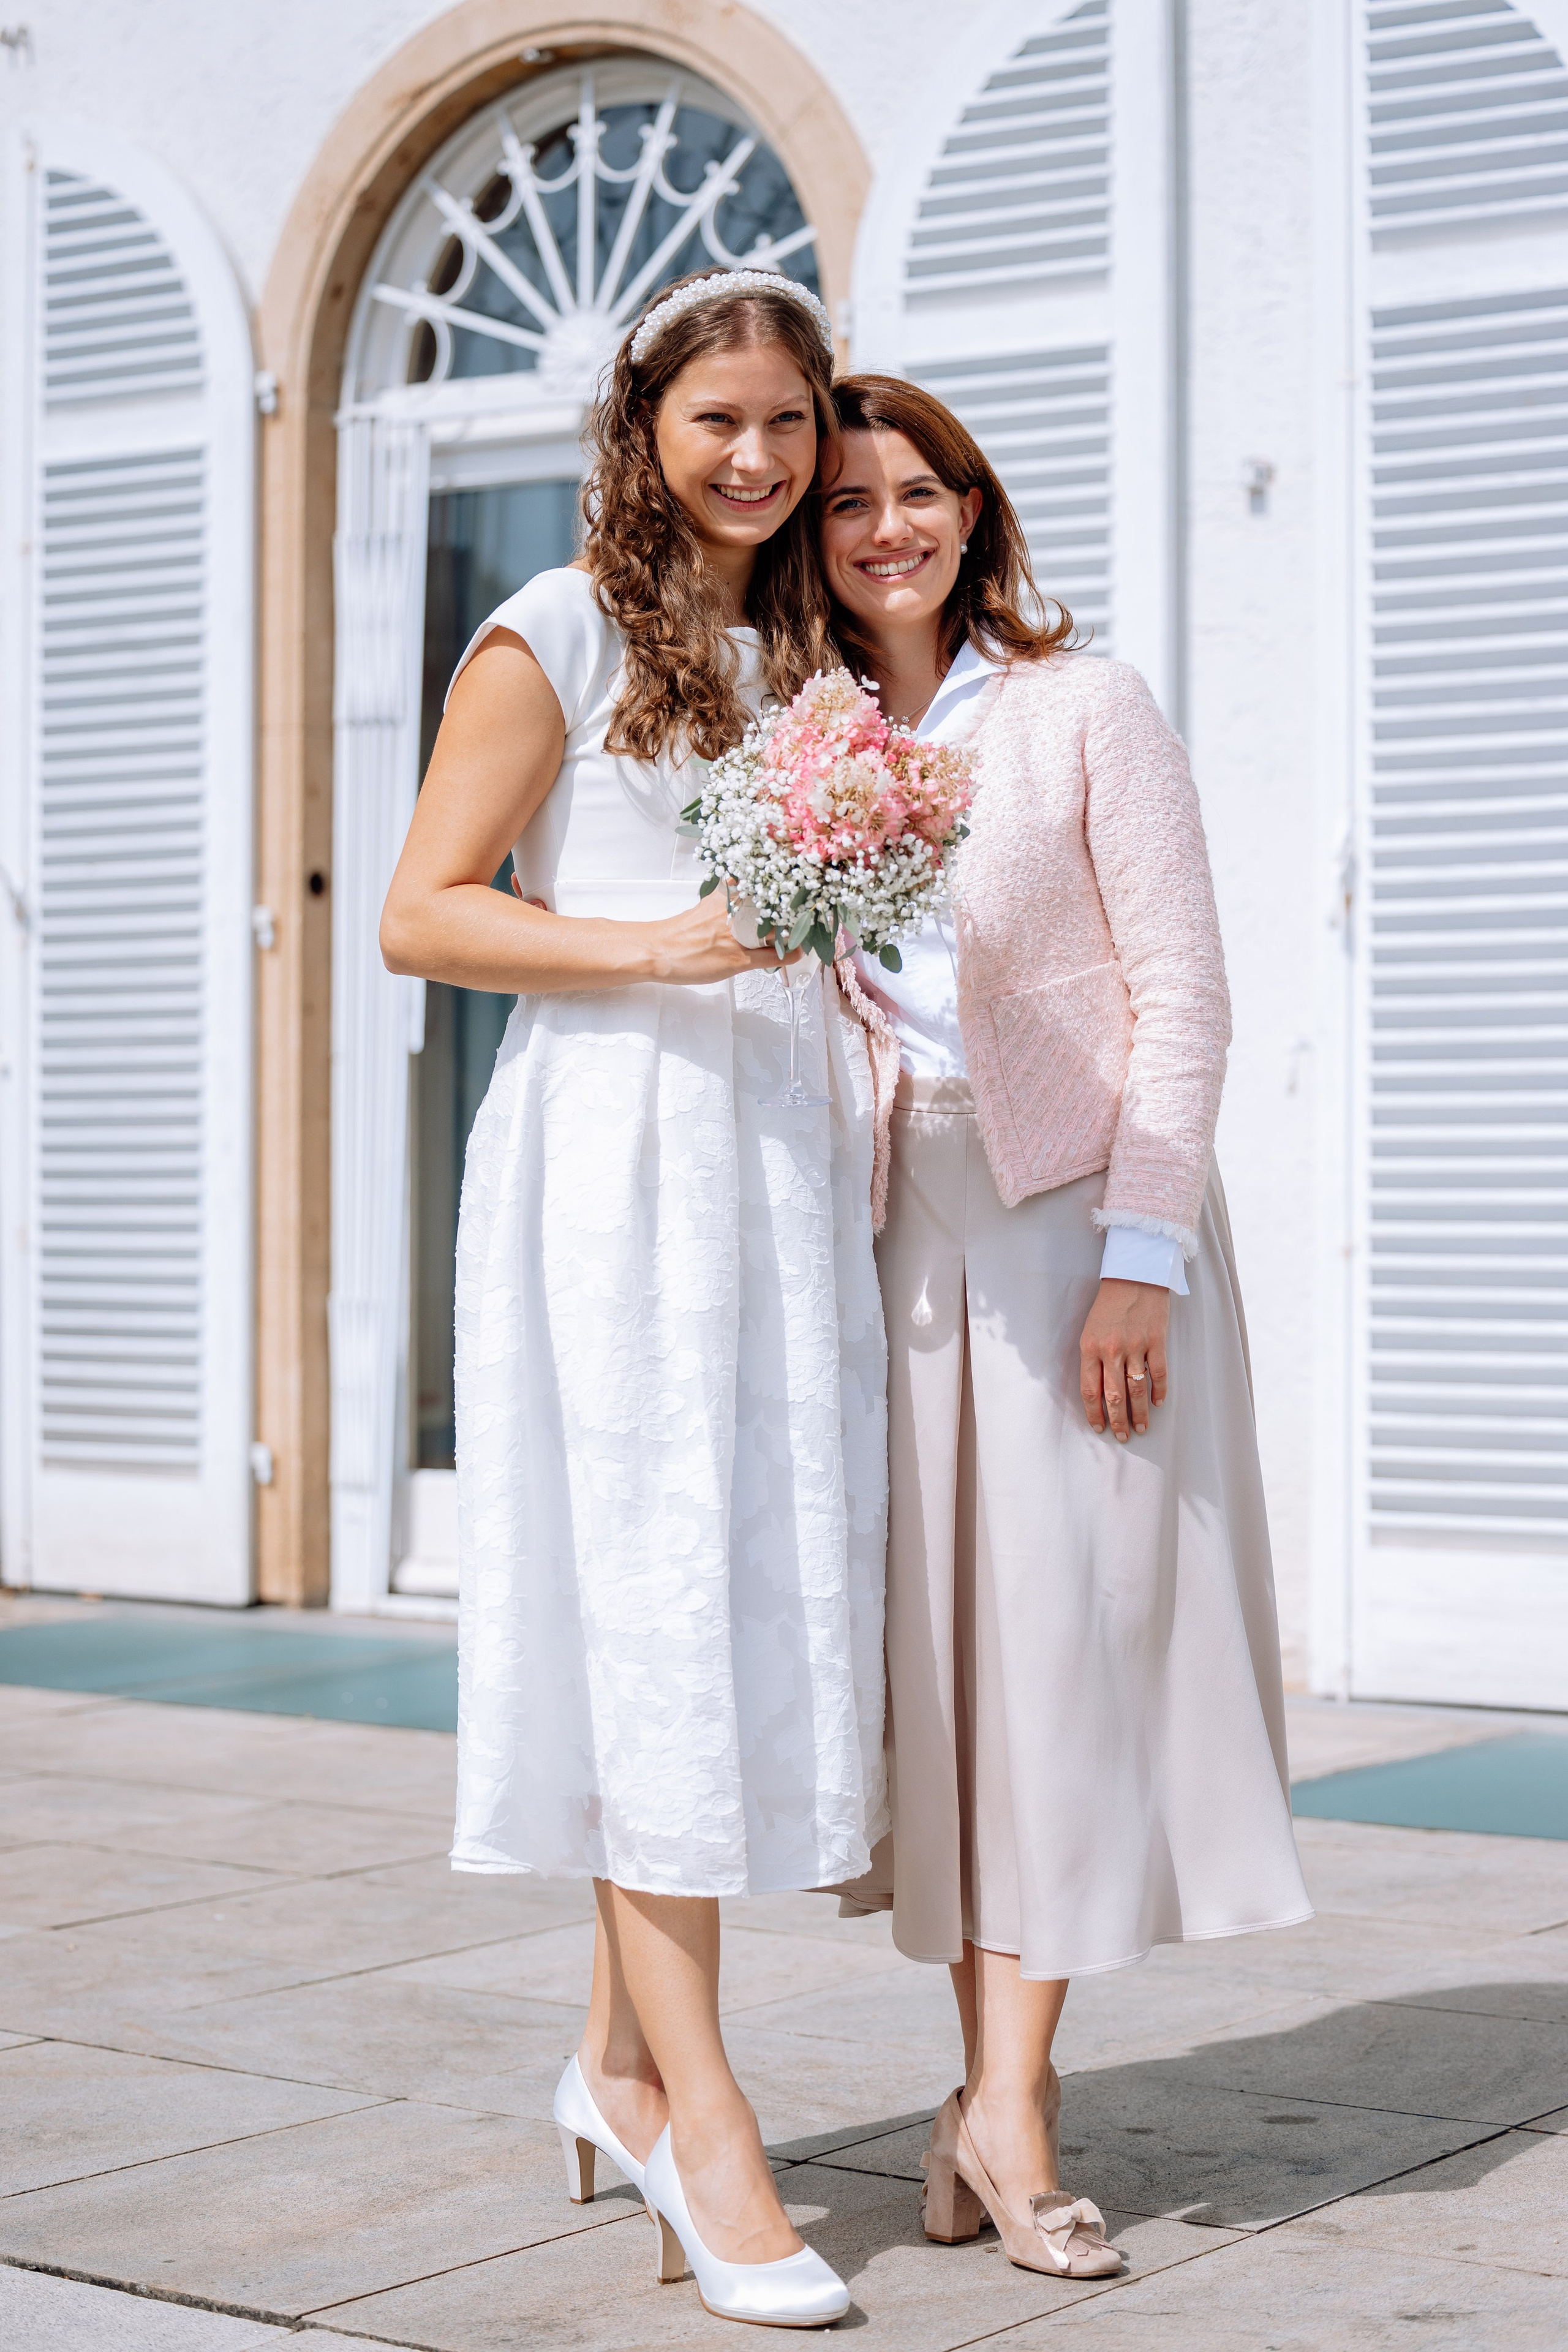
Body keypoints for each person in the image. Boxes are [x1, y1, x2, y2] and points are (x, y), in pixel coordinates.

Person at [380, 273, 888, 2331]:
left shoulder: (805, 648)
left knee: (715, 1600)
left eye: (789, 423)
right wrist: (658, 951)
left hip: (771, 1163)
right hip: (615, 1166)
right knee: (657, 1608)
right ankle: (708, 2126)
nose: (759, 461)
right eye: (719, 425)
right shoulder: (557, 629)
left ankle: (606, 2066)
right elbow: (425, 912)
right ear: (643, 421)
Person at [821, 375, 1312, 2282]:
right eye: (849, 499)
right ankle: (983, 2107)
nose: (885, 526)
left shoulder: (1081, 706)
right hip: (896, 1246)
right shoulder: (794, 736)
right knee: (963, 1690)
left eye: (917, 490)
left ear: (972, 505)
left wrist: (1143, 1253)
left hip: (1078, 1237)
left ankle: (1010, 2108)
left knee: (1078, 1671)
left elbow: (1184, 995)